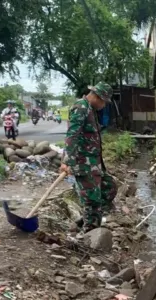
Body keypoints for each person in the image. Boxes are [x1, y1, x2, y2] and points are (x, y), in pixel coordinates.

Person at [59, 82, 117, 232]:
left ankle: (87, 219)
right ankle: (91, 233)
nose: (104, 105)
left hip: (94, 163)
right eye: (104, 102)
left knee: (109, 187)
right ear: (98, 97)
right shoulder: (81, 107)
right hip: (83, 164)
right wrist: (67, 162)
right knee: (92, 200)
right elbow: (72, 135)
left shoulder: (89, 109)